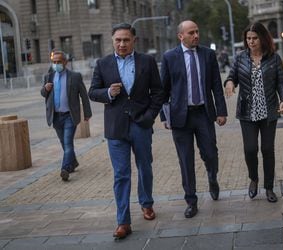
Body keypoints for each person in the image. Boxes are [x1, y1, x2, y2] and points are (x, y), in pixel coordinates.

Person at [88, 23, 164, 239]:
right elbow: (93, 91)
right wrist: (108, 93)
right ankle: (123, 221)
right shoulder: (102, 64)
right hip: (116, 128)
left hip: (141, 124)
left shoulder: (147, 61)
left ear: (134, 41)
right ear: (112, 41)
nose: (122, 44)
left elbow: (158, 92)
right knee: (121, 174)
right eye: (118, 40)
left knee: (145, 167)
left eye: (126, 40)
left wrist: (149, 117)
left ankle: (146, 203)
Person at [160, 20, 227, 218]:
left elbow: (216, 85)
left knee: (210, 153)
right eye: (191, 33)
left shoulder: (208, 54)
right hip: (180, 117)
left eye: (197, 32)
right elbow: (163, 89)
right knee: (185, 160)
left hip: (204, 114)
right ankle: (191, 200)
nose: (196, 35)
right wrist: (164, 115)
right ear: (181, 36)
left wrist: (221, 111)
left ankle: (212, 176)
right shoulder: (169, 57)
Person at [224, 22, 283, 203]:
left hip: (268, 111)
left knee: (268, 149)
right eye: (248, 38)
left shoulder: (274, 58)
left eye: (254, 38)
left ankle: (269, 187)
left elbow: (281, 82)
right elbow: (232, 76)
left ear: (262, 38)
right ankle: (254, 178)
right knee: (250, 149)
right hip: (247, 112)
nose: (251, 42)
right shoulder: (240, 58)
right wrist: (229, 83)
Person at [41, 50, 92, 182]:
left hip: (70, 115)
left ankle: (65, 169)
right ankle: (73, 163)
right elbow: (43, 94)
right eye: (54, 62)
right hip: (56, 116)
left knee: (68, 143)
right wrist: (45, 89)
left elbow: (84, 95)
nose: (56, 64)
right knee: (64, 143)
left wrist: (87, 113)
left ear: (65, 62)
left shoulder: (75, 76)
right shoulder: (49, 77)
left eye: (59, 62)